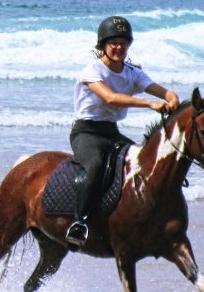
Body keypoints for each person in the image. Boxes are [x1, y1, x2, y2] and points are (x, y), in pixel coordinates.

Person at [66, 15, 179, 247]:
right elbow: (111, 98)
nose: (118, 48)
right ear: (103, 46)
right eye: (113, 43)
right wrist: (149, 104)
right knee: (96, 165)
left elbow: (158, 89)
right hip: (87, 132)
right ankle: (80, 223)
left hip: (111, 132)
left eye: (123, 43)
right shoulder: (92, 71)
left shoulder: (132, 72)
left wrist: (171, 97)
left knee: (143, 160)